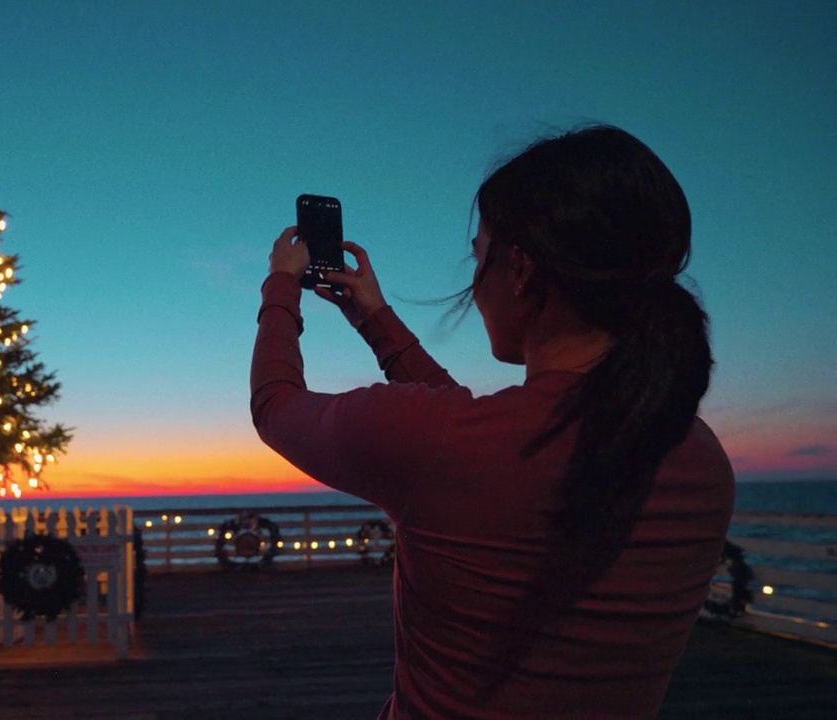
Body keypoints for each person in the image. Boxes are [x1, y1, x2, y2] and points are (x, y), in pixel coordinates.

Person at [251, 125, 734, 719]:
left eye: (478, 255)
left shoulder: (445, 444)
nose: (474, 279)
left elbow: (275, 405)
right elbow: (478, 440)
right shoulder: (699, 456)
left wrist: (281, 285)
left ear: (523, 270)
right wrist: (373, 319)